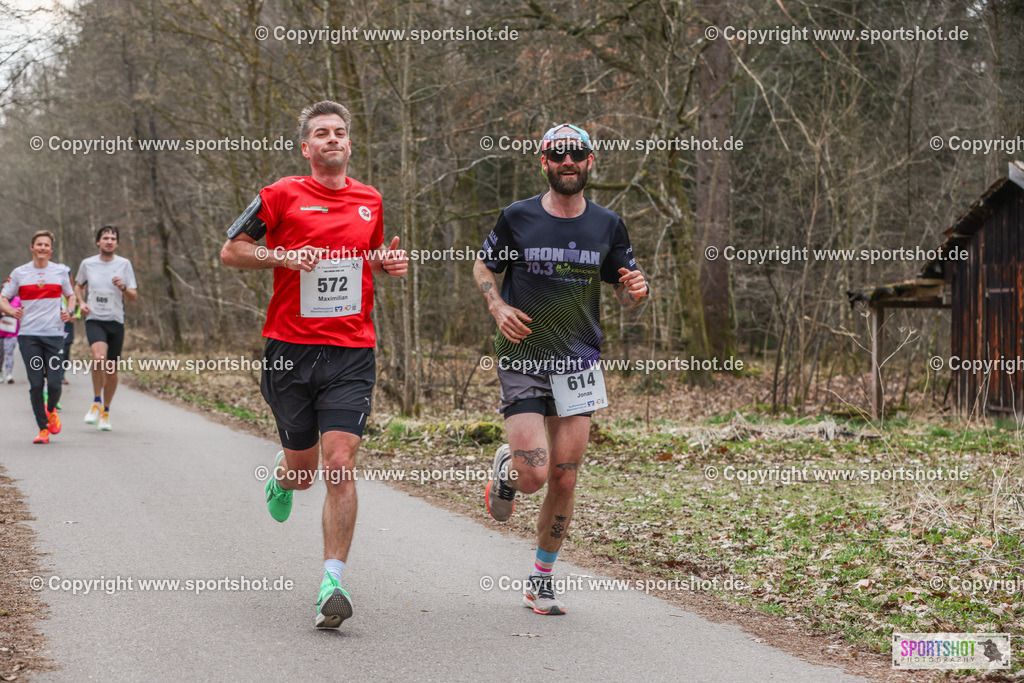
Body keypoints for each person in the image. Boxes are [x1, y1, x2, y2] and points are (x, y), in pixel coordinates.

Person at [220, 100, 408, 629]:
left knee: (340, 462)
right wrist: (279, 255)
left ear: (350, 144)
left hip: (351, 350)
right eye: (321, 133)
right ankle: (282, 479)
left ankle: (332, 583)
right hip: (289, 351)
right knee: (303, 473)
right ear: (306, 147)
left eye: (340, 133)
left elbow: (365, 255)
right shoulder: (279, 195)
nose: (332, 139)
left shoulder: (370, 199)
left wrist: (385, 263)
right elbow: (231, 251)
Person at [473, 123, 649, 615]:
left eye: (577, 153)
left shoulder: (607, 225)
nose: (567, 161)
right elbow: (483, 266)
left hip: (578, 361)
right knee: (534, 475)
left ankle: (541, 579)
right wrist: (497, 307)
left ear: (590, 161)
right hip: (525, 355)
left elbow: (626, 287)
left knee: (565, 478)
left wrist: (637, 292)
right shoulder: (518, 217)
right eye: (557, 154)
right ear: (544, 163)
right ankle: (508, 473)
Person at [0, 231, 76, 444]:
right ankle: (43, 428)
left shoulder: (60, 271)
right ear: (31, 247)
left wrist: (69, 312)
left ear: (51, 250)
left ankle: (50, 410)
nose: (42, 248)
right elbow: (3, 297)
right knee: (35, 384)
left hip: (54, 335)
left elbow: (71, 296)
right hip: (29, 336)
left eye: (46, 245)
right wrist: (10, 311)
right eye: (39, 244)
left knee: (54, 383)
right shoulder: (20, 273)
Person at [74, 225, 139, 431]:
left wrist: (122, 287)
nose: (109, 241)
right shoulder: (88, 264)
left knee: (111, 371)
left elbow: (133, 296)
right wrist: (80, 303)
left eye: (113, 238)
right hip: (94, 318)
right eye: (105, 238)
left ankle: (106, 411)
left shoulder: (124, 265)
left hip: (116, 321)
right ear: (98, 242)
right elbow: (78, 285)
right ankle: (96, 401)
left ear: (117, 243)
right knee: (98, 358)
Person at [0, 288, 20, 383]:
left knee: (9, 352)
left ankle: (9, 374)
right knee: (0, 354)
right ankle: (0, 373)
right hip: (0, 332)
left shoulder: (18, 300)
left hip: (12, 332)